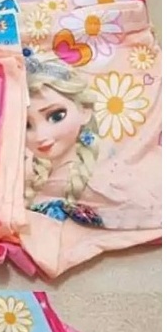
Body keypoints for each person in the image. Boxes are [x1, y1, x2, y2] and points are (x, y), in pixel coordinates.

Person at [24, 51, 104, 226]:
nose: (40, 136)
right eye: (26, 125)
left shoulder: (102, 178)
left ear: (84, 110)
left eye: (56, 116)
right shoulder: (31, 179)